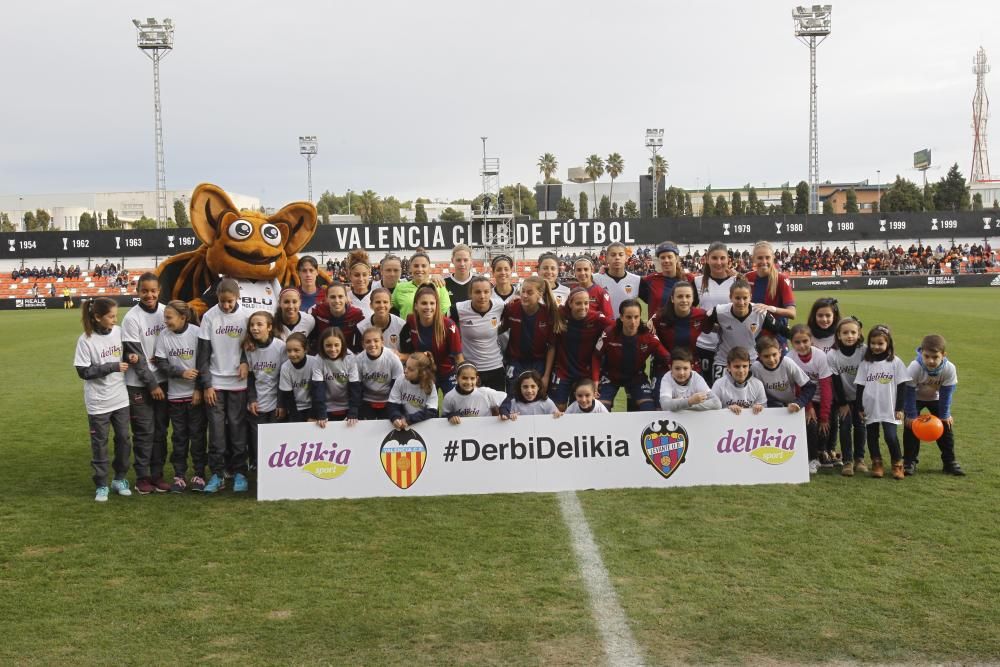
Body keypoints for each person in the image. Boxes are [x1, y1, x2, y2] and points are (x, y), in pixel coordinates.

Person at [74, 297, 133, 502]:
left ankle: (120, 479)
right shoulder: (86, 340)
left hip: (120, 398)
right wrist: (112, 367)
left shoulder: (118, 332)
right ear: (97, 317)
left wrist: (132, 358)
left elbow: (126, 354)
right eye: (110, 316)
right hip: (98, 401)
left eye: (116, 315)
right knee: (100, 444)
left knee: (124, 440)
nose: (115, 320)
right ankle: (101, 484)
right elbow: (83, 372)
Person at [197, 279, 251, 494]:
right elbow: (202, 353)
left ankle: (239, 472)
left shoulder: (246, 316)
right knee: (217, 431)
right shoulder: (210, 316)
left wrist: (245, 360)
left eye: (230, 302)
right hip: (216, 384)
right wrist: (207, 384)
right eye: (222, 301)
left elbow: (251, 345)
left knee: (237, 429)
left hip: (239, 382)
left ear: (237, 297)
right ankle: (217, 474)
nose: (226, 306)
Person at [121, 272, 169, 494]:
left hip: (164, 381)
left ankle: (157, 475)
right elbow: (136, 358)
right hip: (139, 385)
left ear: (159, 291)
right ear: (137, 292)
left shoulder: (166, 312)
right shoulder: (131, 318)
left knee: (160, 431)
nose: (149, 295)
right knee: (144, 431)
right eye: (144, 291)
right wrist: (152, 385)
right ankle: (142, 477)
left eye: (153, 291)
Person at [153, 300, 207, 492]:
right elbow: (160, 362)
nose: (165, 321)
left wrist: (199, 389)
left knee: (198, 437)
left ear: (183, 317)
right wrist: (179, 372)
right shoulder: (164, 336)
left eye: (169, 317)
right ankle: (179, 476)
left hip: (195, 397)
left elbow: (204, 363)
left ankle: (199, 474)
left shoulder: (196, 333)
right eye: (165, 317)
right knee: (179, 437)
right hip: (175, 396)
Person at [703, 278, 787, 384]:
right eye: (737, 298)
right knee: (720, 394)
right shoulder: (719, 311)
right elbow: (704, 326)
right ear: (730, 297)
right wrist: (713, 326)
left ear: (750, 297)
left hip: (750, 361)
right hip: (724, 360)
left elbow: (781, 329)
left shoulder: (760, 312)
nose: (741, 302)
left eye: (745, 298)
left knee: (749, 395)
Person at [593, 299, 669, 412]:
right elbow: (596, 356)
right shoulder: (609, 333)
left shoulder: (648, 337)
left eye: (636, 317)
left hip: (636, 377)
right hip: (610, 376)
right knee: (599, 409)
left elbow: (667, 357)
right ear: (622, 317)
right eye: (628, 317)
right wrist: (595, 380)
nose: (633, 322)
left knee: (648, 409)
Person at [854, 324, 910, 480]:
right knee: (872, 437)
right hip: (870, 407)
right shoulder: (865, 363)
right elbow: (860, 386)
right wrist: (859, 407)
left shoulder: (895, 362)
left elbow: (902, 386)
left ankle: (898, 464)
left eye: (880, 343)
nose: (876, 347)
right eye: (873, 343)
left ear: (888, 344)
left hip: (889, 407)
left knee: (891, 436)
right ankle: (876, 463)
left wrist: (900, 408)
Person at [903, 334, 963, 476]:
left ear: (943, 355)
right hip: (915, 398)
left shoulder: (949, 368)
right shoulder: (915, 367)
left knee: (946, 425)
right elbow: (908, 391)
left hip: (935, 398)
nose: (930, 360)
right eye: (927, 356)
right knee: (911, 426)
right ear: (921, 353)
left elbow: (946, 393)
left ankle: (950, 462)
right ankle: (909, 462)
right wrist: (911, 415)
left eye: (935, 357)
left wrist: (945, 414)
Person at [498, 276, 563, 394]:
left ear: (540, 294)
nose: (524, 295)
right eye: (522, 291)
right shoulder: (512, 307)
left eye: (529, 292)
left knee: (536, 396)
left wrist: (546, 375)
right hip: (515, 361)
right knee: (514, 396)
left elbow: (552, 347)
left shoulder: (548, 313)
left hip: (538, 362)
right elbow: (501, 328)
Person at [550, 287, 608, 410]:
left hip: (585, 372)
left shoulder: (596, 318)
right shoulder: (560, 314)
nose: (583, 307)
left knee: (581, 407)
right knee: (559, 407)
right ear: (570, 303)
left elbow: (616, 327)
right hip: (563, 370)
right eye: (578, 303)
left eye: (586, 303)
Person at [243, 310, 287, 471]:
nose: (254, 328)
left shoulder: (280, 347)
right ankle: (257, 465)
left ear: (269, 327)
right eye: (252, 325)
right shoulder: (249, 348)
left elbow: (285, 376)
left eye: (259, 324)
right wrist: (252, 399)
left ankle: (275, 468)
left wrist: (282, 403)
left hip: (276, 402)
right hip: (257, 403)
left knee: (275, 438)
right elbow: (250, 376)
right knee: (256, 438)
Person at [788, 324, 834, 473]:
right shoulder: (790, 358)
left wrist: (824, 416)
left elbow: (826, 387)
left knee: (826, 422)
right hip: (802, 398)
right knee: (811, 424)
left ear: (811, 340)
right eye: (797, 342)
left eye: (805, 341)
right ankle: (812, 458)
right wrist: (807, 407)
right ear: (791, 343)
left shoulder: (820, 356)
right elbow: (796, 387)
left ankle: (825, 451)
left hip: (821, 397)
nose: (802, 345)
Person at [399, 286, 463, 394]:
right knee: (427, 408)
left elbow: (458, 357)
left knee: (453, 406)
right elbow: (412, 353)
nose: (428, 307)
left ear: (437, 305)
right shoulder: (411, 321)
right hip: (424, 373)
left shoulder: (449, 326)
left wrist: (464, 377)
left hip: (447, 373)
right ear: (416, 306)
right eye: (424, 303)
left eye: (432, 303)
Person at [649, 281, 705, 394]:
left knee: (697, 404)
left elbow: (722, 318)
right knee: (660, 406)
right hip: (664, 368)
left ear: (693, 298)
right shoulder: (660, 318)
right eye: (680, 296)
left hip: (691, 368)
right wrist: (649, 322)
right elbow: (649, 338)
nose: (684, 300)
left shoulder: (701, 315)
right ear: (672, 299)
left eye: (688, 296)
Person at [451, 276, 506, 391]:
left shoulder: (500, 306)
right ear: (470, 294)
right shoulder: (459, 309)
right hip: (470, 369)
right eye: (477, 292)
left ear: (491, 293)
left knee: (496, 406)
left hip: (495, 367)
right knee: (471, 407)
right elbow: (449, 331)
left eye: (486, 292)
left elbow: (510, 322)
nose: (482, 296)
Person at [695, 242, 737, 384]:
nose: (718, 262)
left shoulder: (737, 281)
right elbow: (690, 312)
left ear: (728, 259)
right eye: (714, 258)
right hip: (703, 345)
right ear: (707, 259)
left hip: (731, 346)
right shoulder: (696, 282)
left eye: (722, 258)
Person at [347, 327, 404, 423]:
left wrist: (395, 410)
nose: (372, 344)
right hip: (367, 400)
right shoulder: (358, 360)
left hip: (388, 400)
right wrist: (354, 410)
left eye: (376, 341)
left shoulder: (392, 358)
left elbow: (398, 387)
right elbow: (356, 388)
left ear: (382, 341)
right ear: (363, 344)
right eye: (368, 341)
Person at [745, 241, 796, 337]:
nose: (764, 261)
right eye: (760, 258)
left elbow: (792, 313)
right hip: (752, 337)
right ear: (753, 259)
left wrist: (771, 309)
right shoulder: (747, 277)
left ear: (773, 258)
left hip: (775, 339)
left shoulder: (781, 279)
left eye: (767, 257)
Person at [278, 333, 326, 425]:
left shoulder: (314, 362)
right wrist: (297, 420)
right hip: (295, 408)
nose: (292, 354)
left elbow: (318, 392)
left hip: (314, 407)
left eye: (296, 350)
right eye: (289, 351)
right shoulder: (285, 367)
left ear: (305, 350)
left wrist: (313, 415)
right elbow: (288, 396)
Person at [639, 241, 697, 315]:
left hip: (682, 325)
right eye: (663, 257)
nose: (666, 260)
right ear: (659, 260)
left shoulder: (689, 279)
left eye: (669, 257)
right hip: (656, 326)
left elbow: (694, 305)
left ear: (676, 258)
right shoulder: (649, 280)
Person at [392, 250, 451, 320]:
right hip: (407, 330)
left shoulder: (439, 286)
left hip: (432, 330)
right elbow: (392, 309)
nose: (420, 269)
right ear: (410, 268)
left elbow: (443, 314)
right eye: (416, 266)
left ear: (429, 268)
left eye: (423, 266)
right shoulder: (400, 287)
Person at [659, 347, 722, 412]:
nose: (681, 373)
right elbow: (665, 406)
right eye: (677, 368)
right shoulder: (667, 378)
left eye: (685, 368)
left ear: (691, 368)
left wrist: (684, 404)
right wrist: (690, 401)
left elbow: (716, 403)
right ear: (670, 368)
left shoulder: (696, 378)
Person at [441, 362, 508, 424]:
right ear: (457, 378)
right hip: (461, 433)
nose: (468, 382)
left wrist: (503, 411)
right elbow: (443, 417)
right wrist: (451, 416)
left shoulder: (485, 393)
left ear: (477, 379)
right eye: (464, 378)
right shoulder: (449, 397)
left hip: (485, 430)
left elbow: (506, 399)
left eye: (472, 378)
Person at [388, 352, 439, 430]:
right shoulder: (400, 379)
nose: (405, 371)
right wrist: (395, 417)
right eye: (405, 366)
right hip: (403, 424)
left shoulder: (430, 385)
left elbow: (431, 411)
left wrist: (410, 419)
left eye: (410, 369)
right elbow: (393, 403)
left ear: (422, 372)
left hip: (423, 424)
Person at [309, 282, 365, 354]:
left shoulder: (356, 314)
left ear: (346, 297)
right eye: (332, 297)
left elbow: (361, 340)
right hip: (323, 356)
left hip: (346, 357)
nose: (337, 301)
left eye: (340, 296)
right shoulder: (318, 311)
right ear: (326, 298)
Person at [710, 347, 767, 415]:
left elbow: (765, 410)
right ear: (728, 367)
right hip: (726, 423)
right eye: (737, 366)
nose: (741, 370)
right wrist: (728, 410)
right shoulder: (719, 385)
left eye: (745, 366)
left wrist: (759, 407)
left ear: (749, 366)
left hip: (751, 423)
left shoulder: (758, 384)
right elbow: (712, 411)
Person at [593, 241, 641, 318]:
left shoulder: (637, 280)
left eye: (621, 255)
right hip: (603, 328)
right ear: (607, 258)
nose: (617, 257)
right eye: (613, 255)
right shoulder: (595, 279)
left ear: (626, 258)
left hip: (626, 328)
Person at [317, 327, 354, 422]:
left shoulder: (350, 358)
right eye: (328, 345)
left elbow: (355, 388)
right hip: (327, 407)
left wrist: (353, 412)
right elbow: (318, 389)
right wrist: (321, 413)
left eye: (336, 345)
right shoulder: (318, 359)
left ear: (342, 344)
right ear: (322, 345)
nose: (333, 349)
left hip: (347, 405)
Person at [357, 288, 406, 355]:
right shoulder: (361, 327)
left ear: (391, 305)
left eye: (385, 302)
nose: (382, 305)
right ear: (371, 305)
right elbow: (358, 355)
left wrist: (400, 356)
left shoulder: (402, 325)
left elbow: (409, 355)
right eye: (378, 302)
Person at [346, 249, 375, 316]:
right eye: (356, 275)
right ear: (350, 275)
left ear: (369, 274)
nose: (361, 279)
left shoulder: (376, 296)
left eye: (364, 275)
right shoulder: (344, 297)